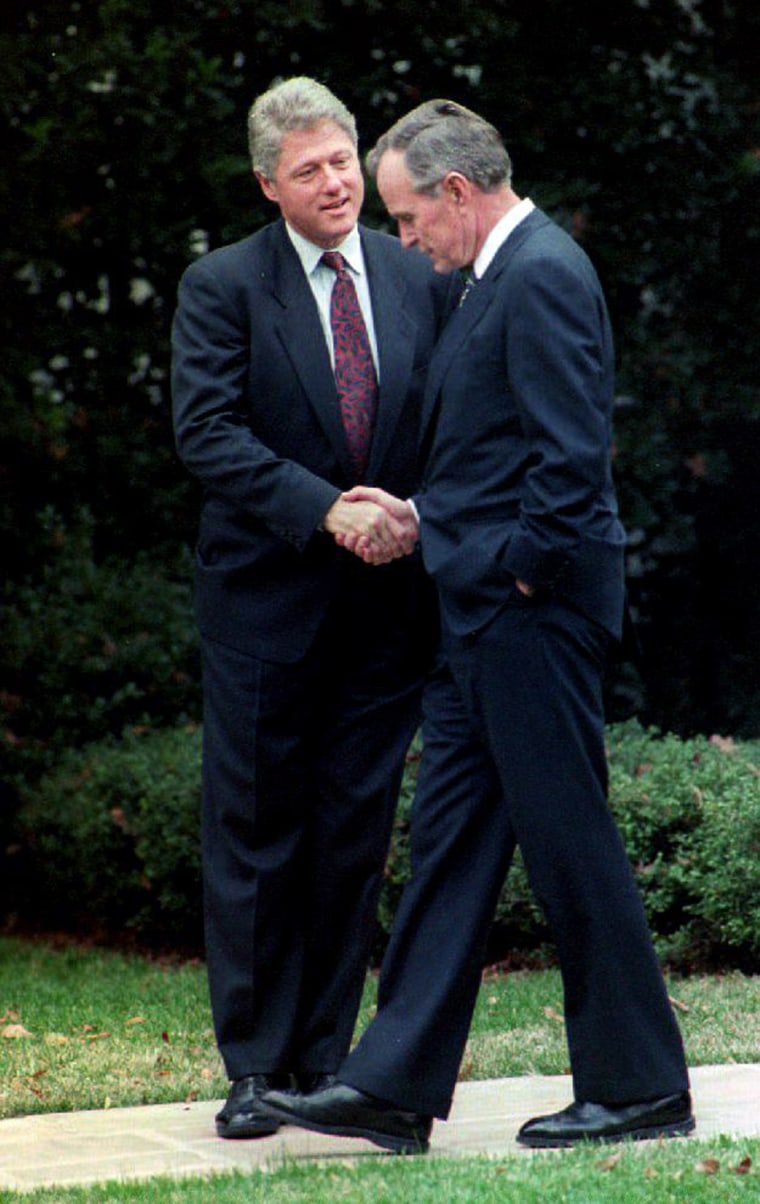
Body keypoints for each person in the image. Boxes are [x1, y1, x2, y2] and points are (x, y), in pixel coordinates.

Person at [264, 99, 694, 1153]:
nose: (404, 241)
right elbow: (494, 460)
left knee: (569, 845)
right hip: (482, 617)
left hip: (526, 615)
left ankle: (640, 1086)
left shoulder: (541, 273)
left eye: (410, 219)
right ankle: (393, 1085)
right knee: (450, 849)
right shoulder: (496, 277)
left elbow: (565, 471)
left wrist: (503, 576)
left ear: (458, 193)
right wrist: (427, 519)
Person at [171, 78, 455, 1140]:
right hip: (264, 604)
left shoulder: (407, 269)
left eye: (342, 161)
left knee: (350, 832)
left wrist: (414, 516)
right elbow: (206, 432)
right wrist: (324, 509)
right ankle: (253, 1066)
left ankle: (325, 1057)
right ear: (267, 186)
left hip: (387, 609)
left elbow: (442, 411)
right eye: (310, 171)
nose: (336, 184)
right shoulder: (223, 286)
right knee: (254, 835)